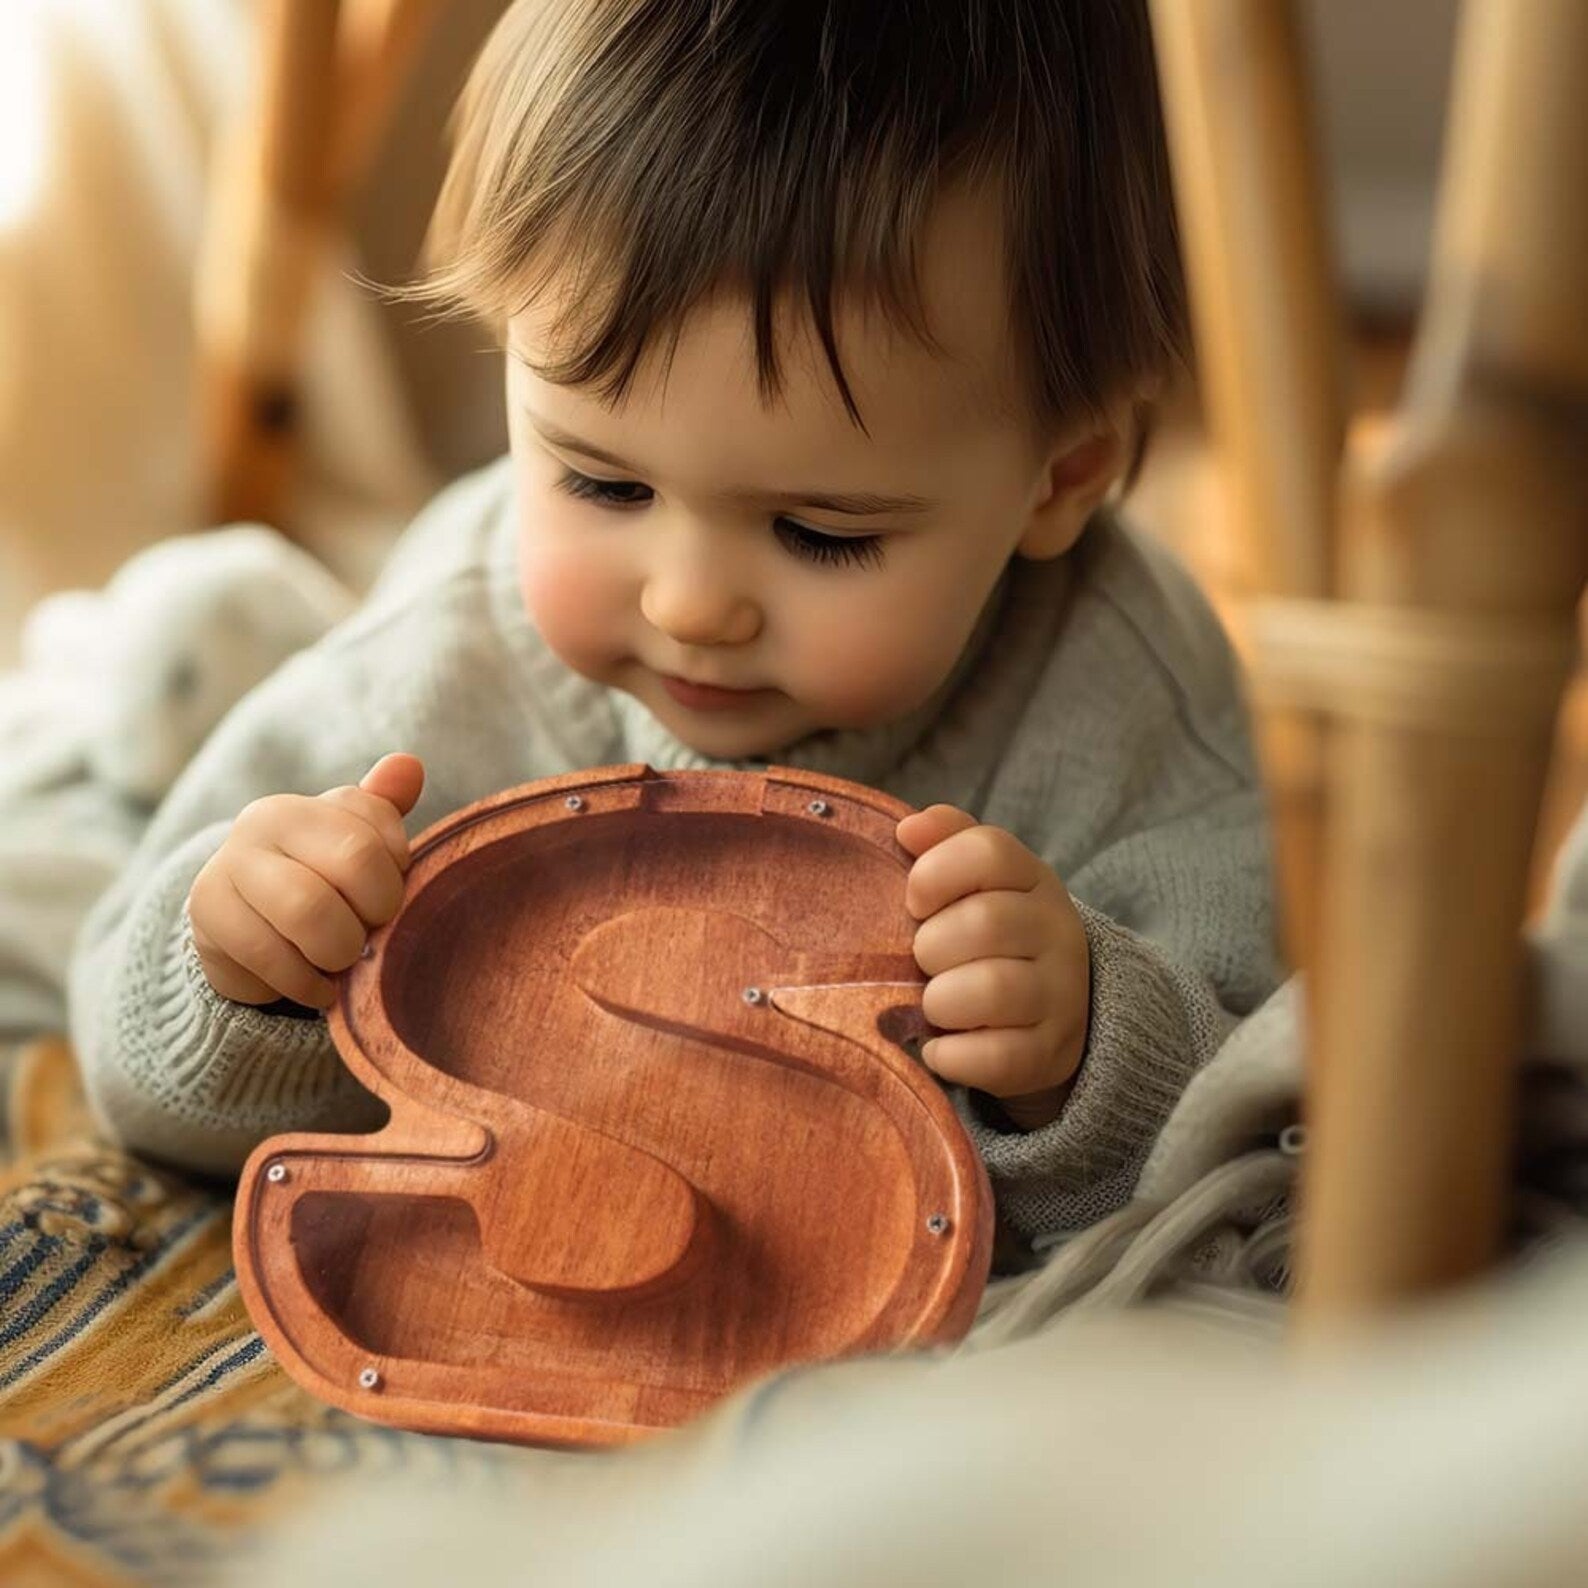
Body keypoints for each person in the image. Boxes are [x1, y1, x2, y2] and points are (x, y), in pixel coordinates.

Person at [68, 0, 1281, 1262]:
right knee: (206, 702)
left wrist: (1085, 1054)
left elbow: (1275, 1130)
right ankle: (219, 631)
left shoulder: (1132, 709)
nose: (689, 604)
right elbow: (139, 1065)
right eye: (603, 485)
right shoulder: (448, 667)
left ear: (1061, 475)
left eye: (820, 531)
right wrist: (248, 972)